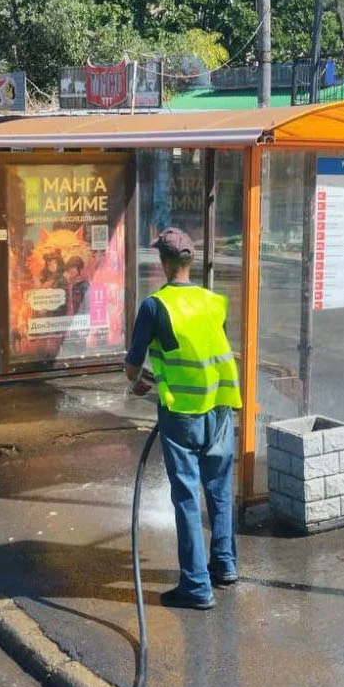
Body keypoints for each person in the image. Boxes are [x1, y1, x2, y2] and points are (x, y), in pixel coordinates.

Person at [124, 228, 242, 611]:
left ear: (162, 262)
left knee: (188, 497)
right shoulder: (213, 302)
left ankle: (196, 585)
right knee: (219, 490)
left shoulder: (155, 306)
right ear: (190, 262)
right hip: (220, 408)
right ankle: (223, 565)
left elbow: (132, 367)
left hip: (182, 415)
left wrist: (143, 382)